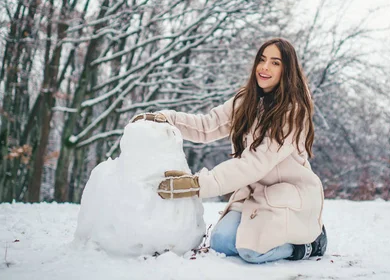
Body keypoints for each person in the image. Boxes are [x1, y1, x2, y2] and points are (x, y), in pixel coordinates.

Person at [133, 38, 327, 263]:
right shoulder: (246, 100)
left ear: (287, 69)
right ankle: (272, 234)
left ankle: (310, 244)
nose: (264, 67)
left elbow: (254, 164)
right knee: (222, 242)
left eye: (275, 62)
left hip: (285, 195)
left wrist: (198, 184)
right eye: (262, 60)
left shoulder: (292, 113)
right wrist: (167, 118)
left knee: (252, 252)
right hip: (253, 194)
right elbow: (207, 125)